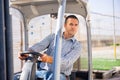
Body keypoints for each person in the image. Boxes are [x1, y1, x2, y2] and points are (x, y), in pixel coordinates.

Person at [19, 15, 82, 80]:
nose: (73, 27)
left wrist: (49, 59)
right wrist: (27, 52)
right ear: (65, 25)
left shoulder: (77, 46)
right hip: (42, 72)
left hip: (60, 75)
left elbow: (67, 62)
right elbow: (40, 45)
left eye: (76, 25)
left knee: (53, 78)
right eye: (71, 24)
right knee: (19, 77)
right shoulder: (53, 37)